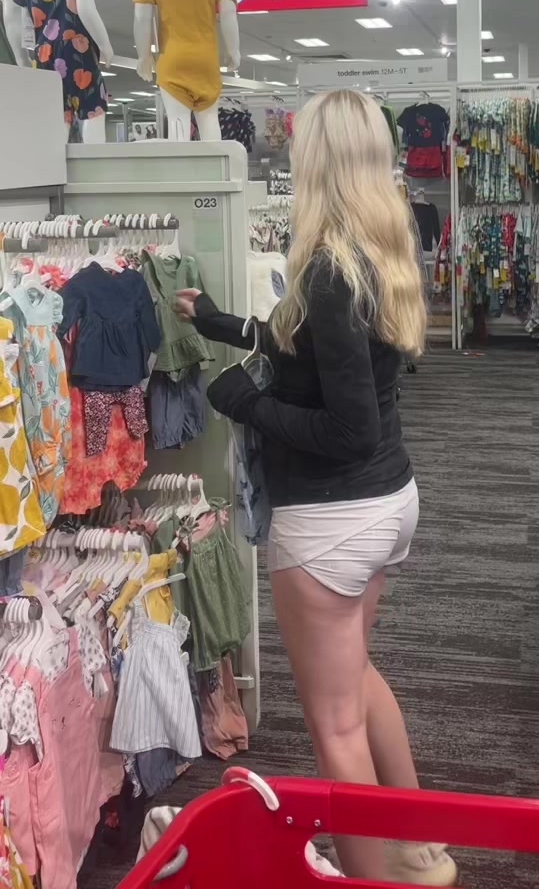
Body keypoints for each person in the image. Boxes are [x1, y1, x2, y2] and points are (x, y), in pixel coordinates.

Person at [175, 89, 456, 886]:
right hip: (387, 503)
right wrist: (225, 324)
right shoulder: (376, 248)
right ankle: (418, 847)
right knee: (357, 678)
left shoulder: (331, 266)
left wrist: (245, 402)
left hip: (335, 516)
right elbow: (313, 345)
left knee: (334, 724)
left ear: (316, 160)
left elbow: (346, 428)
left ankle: (374, 874)